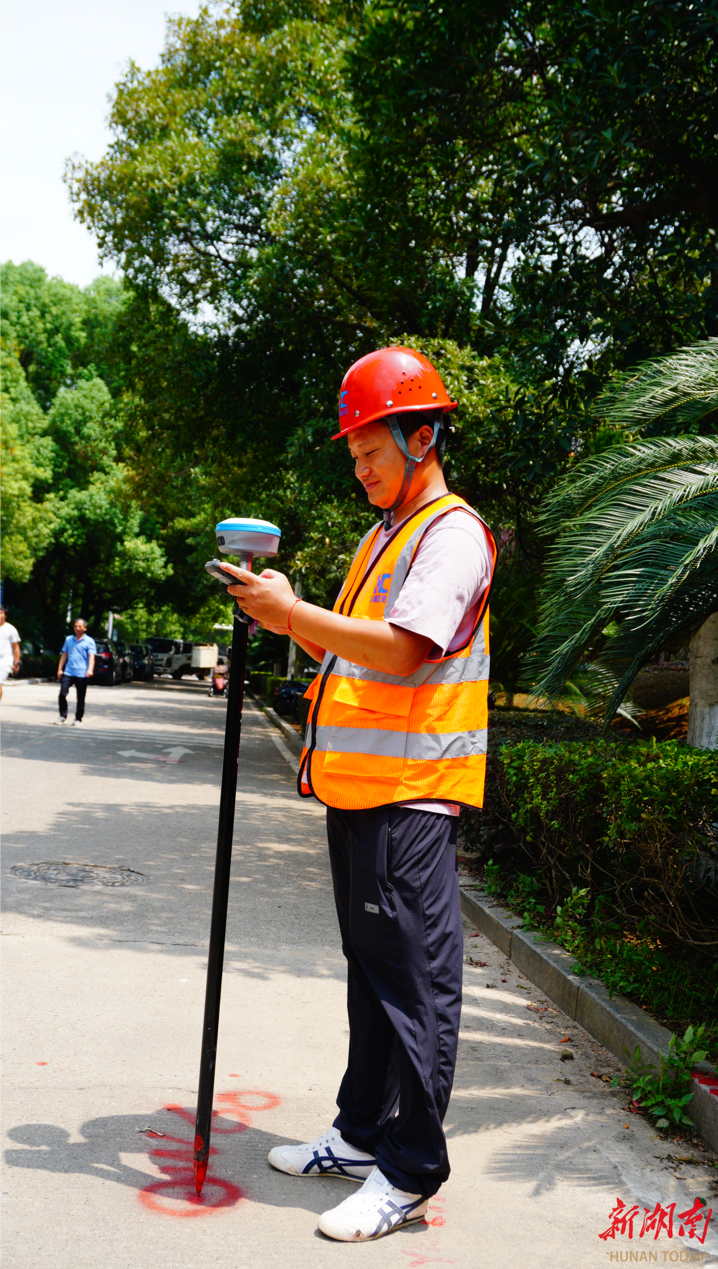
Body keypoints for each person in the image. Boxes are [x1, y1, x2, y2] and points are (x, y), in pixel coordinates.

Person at [225, 346, 496, 1243]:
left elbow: (405, 647)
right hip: (360, 792)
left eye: (372, 450)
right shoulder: (383, 537)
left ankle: (410, 1167)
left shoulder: (450, 532)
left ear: (422, 436)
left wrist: (294, 613)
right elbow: (345, 651)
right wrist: (284, 607)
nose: (362, 468)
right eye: (353, 457)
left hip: (411, 793)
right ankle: (358, 1130)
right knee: (371, 974)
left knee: (412, 983)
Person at [56, 618, 96, 725]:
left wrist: (90, 669)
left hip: (82, 673)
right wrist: (60, 669)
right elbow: (64, 654)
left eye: (80, 626)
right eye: (75, 626)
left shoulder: (89, 641)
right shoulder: (69, 639)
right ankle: (62, 716)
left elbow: (91, 656)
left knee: (80, 697)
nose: (77, 628)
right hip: (69, 672)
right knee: (62, 694)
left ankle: (78, 719)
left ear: (85, 628)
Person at [0, 605, 21, 703]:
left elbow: (16, 647)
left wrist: (16, 663)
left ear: (5, 615)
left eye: (0, 613)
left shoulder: (10, 629)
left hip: (5, 662)